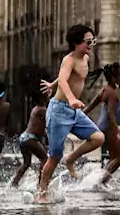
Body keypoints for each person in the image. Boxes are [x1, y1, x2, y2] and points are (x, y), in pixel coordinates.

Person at [35, 25, 107, 202]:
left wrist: (52, 84)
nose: (91, 45)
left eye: (93, 41)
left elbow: (63, 77)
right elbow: (65, 81)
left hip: (73, 110)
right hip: (59, 110)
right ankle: (41, 193)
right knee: (54, 156)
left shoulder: (85, 58)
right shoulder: (69, 60)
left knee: (98, 138)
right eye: (88, 42)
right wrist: (71, 98)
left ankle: (70, 159)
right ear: (76, 43)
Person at [88, 63, 120, 185]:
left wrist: (76, 115)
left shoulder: (104, 90)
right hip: (108, 129)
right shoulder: (112, 93)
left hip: (102, 128)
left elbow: (89, 107)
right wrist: (118, 133)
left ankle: (102, 181)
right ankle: (100, 182)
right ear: (114, 78)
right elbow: (110, 113)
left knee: (113, 157)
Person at [12, 92, 50, 189]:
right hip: (30, 138)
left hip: (24, 137)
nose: (49, 98)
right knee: (45, 158)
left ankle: (14, 183)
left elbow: (39, 128)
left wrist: (46, 134)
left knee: (26, 163)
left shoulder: (36, 109)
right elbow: (50, 123)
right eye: (47, 96)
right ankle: (41, 185)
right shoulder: (43, 110)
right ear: (42, 98)